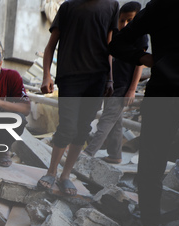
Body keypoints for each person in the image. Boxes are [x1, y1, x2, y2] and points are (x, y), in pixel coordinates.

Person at [109, 0, 179, 226]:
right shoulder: (160, 7)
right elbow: (117, 43)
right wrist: (145, 57)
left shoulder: (159, 6)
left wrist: (145, 58)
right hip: (166, 95)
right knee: (151, 162)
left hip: (163, 95)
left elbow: (118, 43)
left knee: (151, 162)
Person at [37, 0, 119, 196]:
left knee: (82, 128)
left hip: (97, 79)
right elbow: (50, 46)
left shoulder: (111, 6)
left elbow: (110, 47)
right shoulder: (68, 7)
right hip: (70, 77)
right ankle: (51, 172)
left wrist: (110, 79)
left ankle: (65, 176)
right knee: (67, 127)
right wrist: (46, 75)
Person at [83, 1, 147, 164]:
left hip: (124, 86)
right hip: (111, 84)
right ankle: (115, 154)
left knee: (106, 120)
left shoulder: (140, 36)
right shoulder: (117, 35)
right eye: (122, 20)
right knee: (115, 121)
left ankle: (87, 154)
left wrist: (132, 89)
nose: (125, 24)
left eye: (130, 20)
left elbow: (140, 64)